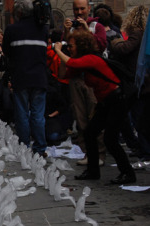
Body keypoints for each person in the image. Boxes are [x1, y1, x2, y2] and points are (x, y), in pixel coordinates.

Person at [55, 29, 136, 184]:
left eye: (71, 46)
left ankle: (128, 174)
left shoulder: (91, 59)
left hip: (117, 99)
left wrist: (58, 51)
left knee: (110, 139)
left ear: (81, 46)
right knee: (90, 133)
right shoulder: (81, 61)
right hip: (106, 101)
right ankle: (93, 171)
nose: (69, 49)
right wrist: (64, 56)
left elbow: (72, 63)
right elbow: (63, 74)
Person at [64, 0, 107, 167]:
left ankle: (100, 154)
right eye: (76, 9)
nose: (79, 12)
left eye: (82, 9)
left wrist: (87, 30)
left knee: (94, 116)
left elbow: (101, 45)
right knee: (80, 118)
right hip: (76, 76)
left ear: (89, 8)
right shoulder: (72, 27)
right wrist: (67, 31)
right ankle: (88, 153)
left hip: (93, 79)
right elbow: (67, 49)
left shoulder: (97, 27)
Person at [2, 0, 48, 156]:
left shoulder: (12, 30)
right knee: (38, 114)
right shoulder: (43, 29)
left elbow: (6, 52)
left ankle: (24, 146)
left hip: (21, 76)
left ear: (19, 13)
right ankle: (40, 147)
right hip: (39, 77)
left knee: (22, 112)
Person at [111, 5, 150, 164]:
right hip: (140, 80)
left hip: (138, 81)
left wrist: (115, 42)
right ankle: (142, 148)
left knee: (139, 117)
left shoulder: (137, 33)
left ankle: (145, 150)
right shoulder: (144, 34)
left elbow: (126, 48)